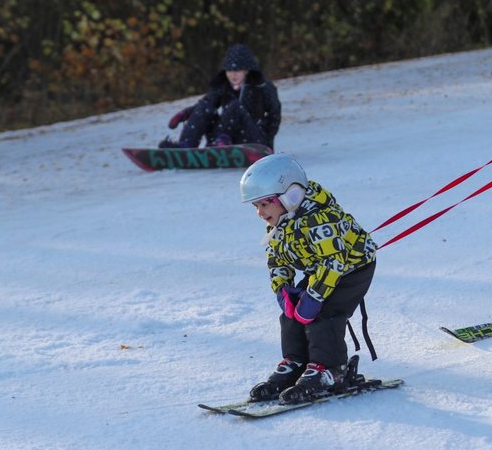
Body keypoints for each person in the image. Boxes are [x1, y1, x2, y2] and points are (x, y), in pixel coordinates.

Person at [240, 154, 378, 404]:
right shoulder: (279, 223)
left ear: (289, 195)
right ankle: (297, 363)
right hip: (321, 270)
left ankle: (330, 370)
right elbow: (277, 259)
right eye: (255, 206)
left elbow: (333, 262)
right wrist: (282, 288)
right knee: (292, 314)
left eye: (264, 204)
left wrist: (314, 296)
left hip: (352, 268)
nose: (260, 212)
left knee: (324, 313)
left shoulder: (320, 219)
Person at [160, 43, 281, 149]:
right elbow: (206, 103)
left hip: (252, 137)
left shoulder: (262, 86)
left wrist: (267, 144)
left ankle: (222, 141)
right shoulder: (223, 86)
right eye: (229, 71)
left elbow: (274, 114)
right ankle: (186, 145)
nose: (233, 75)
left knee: (235, 106)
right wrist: (186, 113)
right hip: (223, 138)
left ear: (247, 70)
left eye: (237, 70)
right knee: (206, 107)